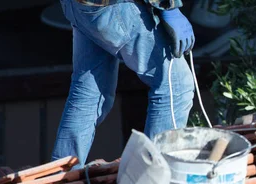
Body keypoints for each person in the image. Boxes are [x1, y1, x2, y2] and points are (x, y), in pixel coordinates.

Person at [51, 0, 196, 167]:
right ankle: (151, 182)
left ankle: (61, 180)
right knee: (176, 88)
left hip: (79, 6)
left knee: (88, 94)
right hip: (113, 8)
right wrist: (169, 7)